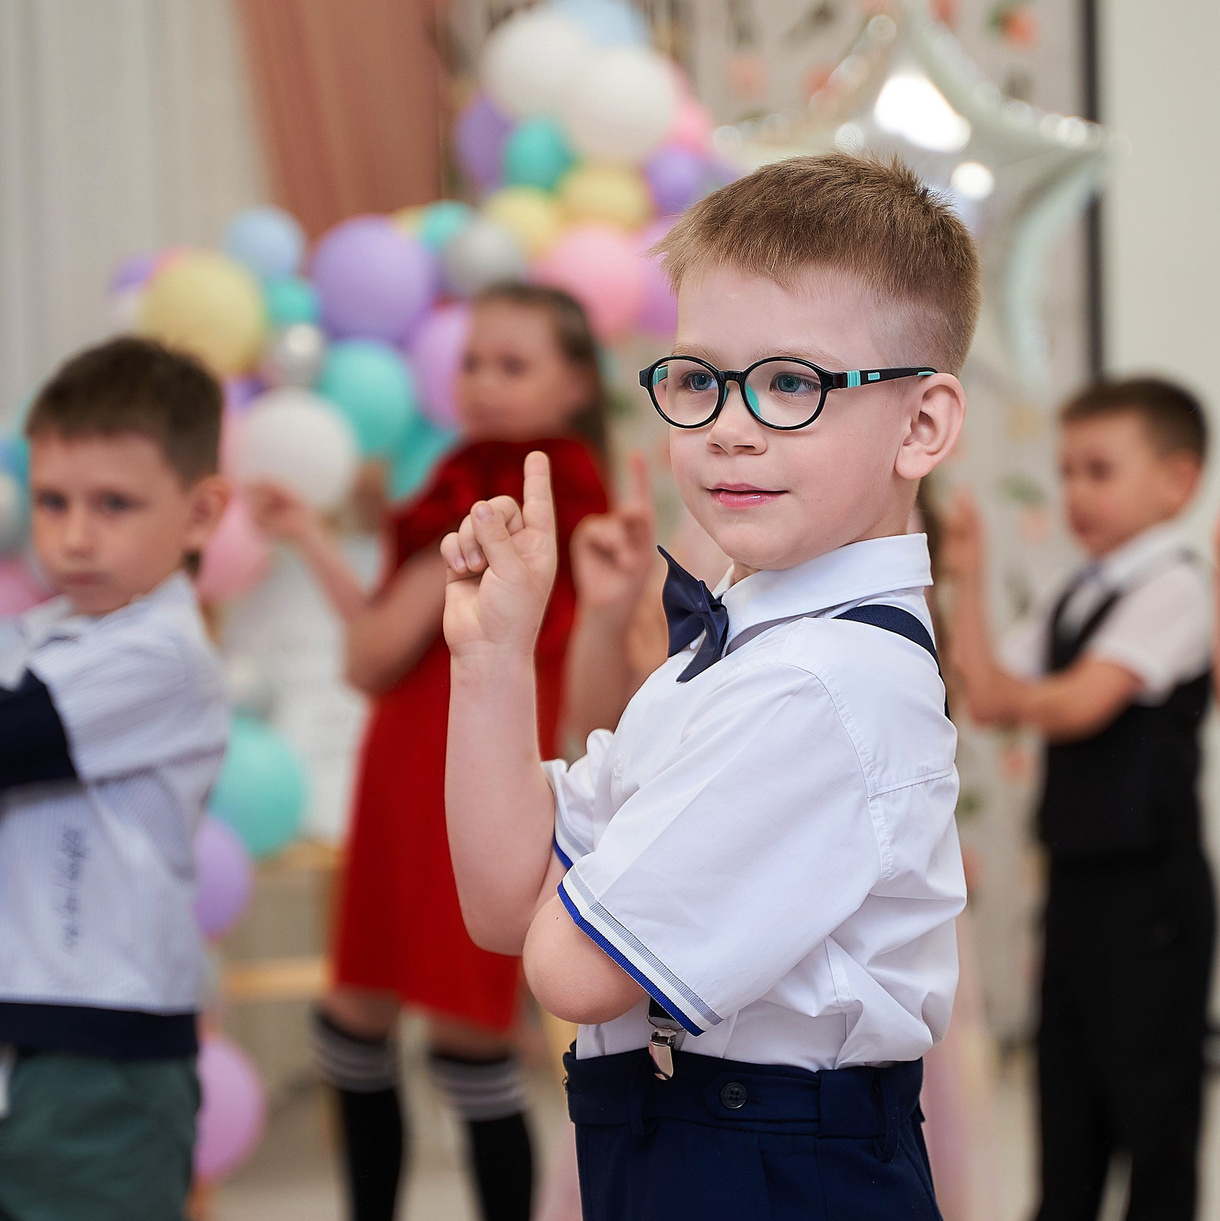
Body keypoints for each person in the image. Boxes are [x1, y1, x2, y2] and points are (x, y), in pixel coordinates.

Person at [440, 153, 979, 1220]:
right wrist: (493, 659)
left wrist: (579, 903)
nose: (729, 426)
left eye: (792, 383)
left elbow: (574, 976)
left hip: (774, 1171)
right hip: (680, 1144)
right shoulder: (735, 651)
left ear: (919, 425)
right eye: (697, 379)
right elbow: (505, 905)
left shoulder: (822, 686)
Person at [248, 283, 609, 1221]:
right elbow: (383, 641)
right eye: (473, 360)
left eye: (513, 363)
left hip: (444, 774)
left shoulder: (492, 489)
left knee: (427, 1027)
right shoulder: (560, 486)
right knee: (403, 1024)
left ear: (576, 382)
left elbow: (372, 653)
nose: (483, 380)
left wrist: (326, 545)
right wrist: (312, 539)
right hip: (433, 765)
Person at [943, 377, 1213, 1221]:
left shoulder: (1176, 584)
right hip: (1079, 882)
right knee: (1067, 1100)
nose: (1075, 493)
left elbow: (1075, 704)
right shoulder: (1076, 592)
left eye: (1099, 469)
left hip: (1151, 891)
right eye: (1066, 472)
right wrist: (967, 581)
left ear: (1178, 480)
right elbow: (987, 697)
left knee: (1151, 1110)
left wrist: (1028, 693)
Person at [0, 337, 230, 1220]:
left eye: (114, 503)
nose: (75, 534)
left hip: (105, 1054)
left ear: (202, 513)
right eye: (52, 502)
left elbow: (13, 740)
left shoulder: (164, 653)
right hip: (30, 1029)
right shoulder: (45, 634)